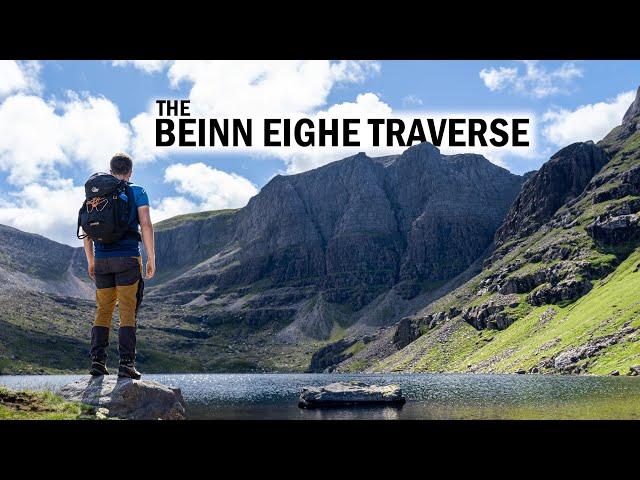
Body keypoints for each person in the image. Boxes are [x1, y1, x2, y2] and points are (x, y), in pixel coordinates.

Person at [82, 153, 156, 379]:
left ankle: (97, 362)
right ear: (130, 172)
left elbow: (86, 229)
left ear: (110, 169)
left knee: (103, 310)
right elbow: (145, 225)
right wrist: (151, 257)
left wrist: (91, 260)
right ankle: (126, 364)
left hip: (102, 260)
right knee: (127, 312)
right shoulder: (137, 191)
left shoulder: (96, 193)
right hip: (127, 260)